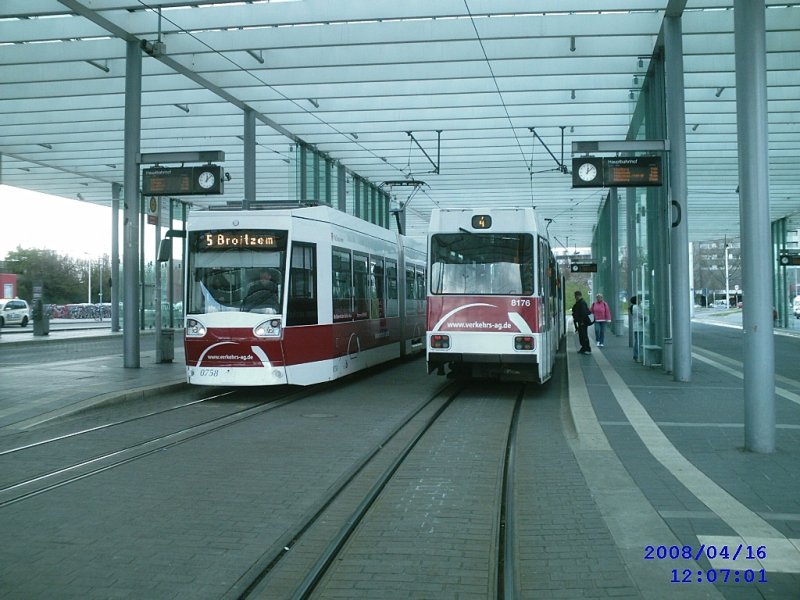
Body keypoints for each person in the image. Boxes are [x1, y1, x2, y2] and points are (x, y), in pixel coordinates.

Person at [630, 295, 644, 362]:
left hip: (638, 327)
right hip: (639, 327)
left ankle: (636, 355)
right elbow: (641, 315)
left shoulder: (636, 306)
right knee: (638, 342)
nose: (640, 300)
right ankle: (636, 356)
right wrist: (645, 317)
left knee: (637, 342)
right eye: (639, 299)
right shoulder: (635, 307)